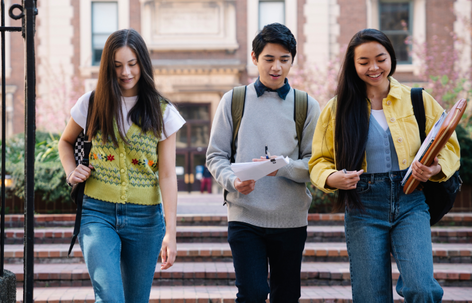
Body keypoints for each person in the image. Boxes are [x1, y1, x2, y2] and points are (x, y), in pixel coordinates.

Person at [309, 28, 460, 302]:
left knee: (422, 289)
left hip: (411, 201)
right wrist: (333, 178)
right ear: (353, 65)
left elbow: (450, 146)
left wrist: (435, 169)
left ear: (391, 57)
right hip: (363, 207)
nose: (374, 67)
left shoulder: (418, 99)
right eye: (363, 62)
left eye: (380, 58)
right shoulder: (336, 108)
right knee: (371, 296)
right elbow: (319, 161)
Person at [58, 29, 185, 302]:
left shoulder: (163, 112)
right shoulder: (91, 103)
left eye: (132, 63)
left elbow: (167, 175)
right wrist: (71, 171)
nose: (125, 72)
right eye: (117, 66)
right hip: (97, 214)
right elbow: (65, 142)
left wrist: (171, 233)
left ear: (143, 63)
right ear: (107, 67)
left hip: (146, 220)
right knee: (110, 297)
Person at [206, 23, 320, 302]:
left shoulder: (306, 105)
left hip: (291, 219)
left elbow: (315, 165)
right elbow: (215, 155)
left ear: (293, 60)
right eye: (269, 59)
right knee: (252, 293)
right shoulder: (234, 100)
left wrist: (282, 166)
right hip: (245, 216)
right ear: (255, 58)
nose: (277, 67)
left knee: (286, 296)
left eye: (284, 59)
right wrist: (233, 180)